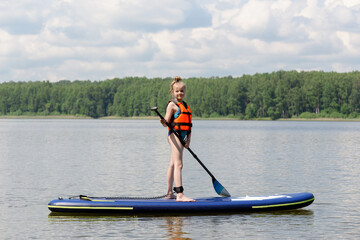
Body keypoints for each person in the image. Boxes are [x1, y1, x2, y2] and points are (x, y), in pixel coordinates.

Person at [160, 76, 195, 202]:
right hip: (174, 136)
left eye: (182, 91)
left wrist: (188, 141)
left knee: (173, 164)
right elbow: (166, 122)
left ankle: (169, 193)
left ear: (184, 92)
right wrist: (163, 121)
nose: (180, 93)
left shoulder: (185, 105)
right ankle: (179, 194)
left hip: (183, 137)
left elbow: (189, 126)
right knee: (179, 164)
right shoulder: (172, 105)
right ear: (173, 92)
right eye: (177, 91)